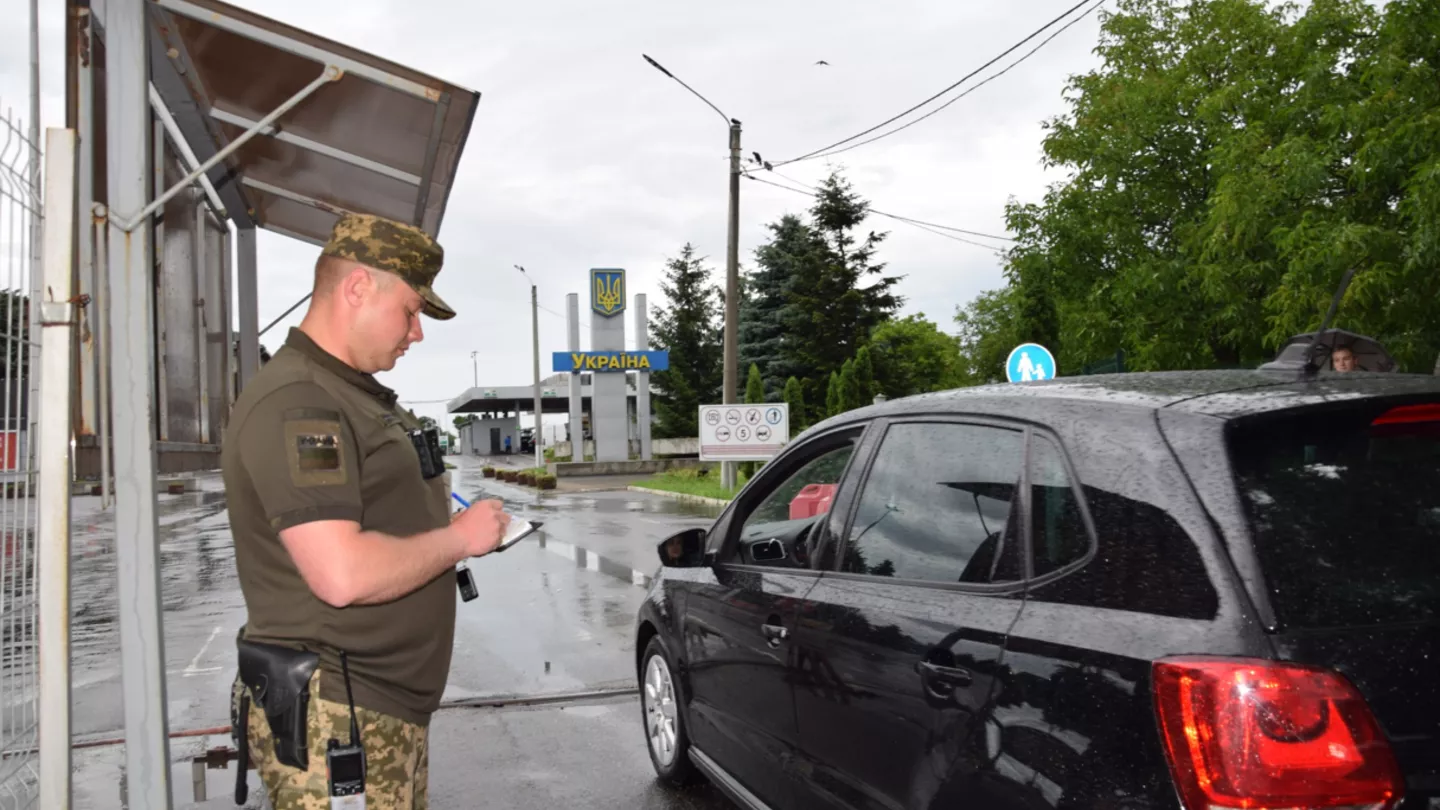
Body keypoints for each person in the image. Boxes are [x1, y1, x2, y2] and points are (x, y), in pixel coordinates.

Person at [222, 212, 511, 809]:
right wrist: (462, 539)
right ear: (357, 288)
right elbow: (342, 573)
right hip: (341, 714)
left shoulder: (345, 392)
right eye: (410, 311)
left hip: (371, 707)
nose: (416, 333)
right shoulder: (300, 401)